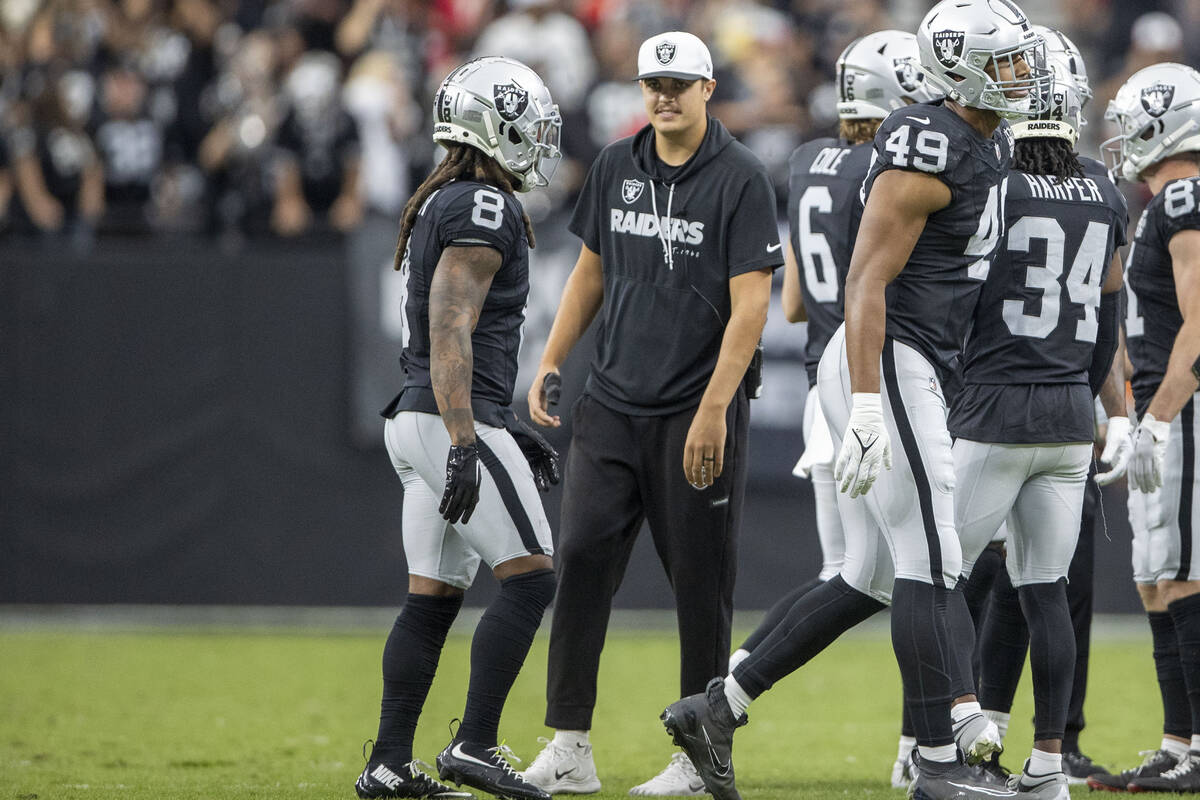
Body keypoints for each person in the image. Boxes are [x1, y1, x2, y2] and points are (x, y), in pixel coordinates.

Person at [660, 3, 1052, 799]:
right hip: (886, 357)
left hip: (919, 362)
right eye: (1008, 61)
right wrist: (870, 404)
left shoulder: (986, 138)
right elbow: (864, 280)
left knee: (869, 574)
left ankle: (717, 706)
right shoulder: (926, 142)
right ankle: (939, 766)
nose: (1024, 74)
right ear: (963, 66)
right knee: (935, 558)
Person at [520, 30, 781, 797]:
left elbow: (752, 308)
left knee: (701, 585)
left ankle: (697, 760)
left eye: (678, 84)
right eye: (652, 84)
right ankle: (569, 744)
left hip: (692, 411)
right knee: (580, 566)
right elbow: (589, 270)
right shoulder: (615, 163)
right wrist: (552, 357)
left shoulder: (740, 177)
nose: (663, 97)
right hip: (610, 402)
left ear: (707, 89)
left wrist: (714, 410)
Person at [354, 56, 563, 800]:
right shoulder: (483, 206)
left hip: (418, 418)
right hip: (447, 418)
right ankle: (473, 743)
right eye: (530, 124)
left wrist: (491, 423)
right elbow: (451, 328)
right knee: (534, 577)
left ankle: (387, 763)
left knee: (433, 597)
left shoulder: (447, 198)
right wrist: (470, 438)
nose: (539, 139)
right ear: (497, 124)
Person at [727, 25, 938, 685]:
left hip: (825, 383)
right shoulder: (891, 169)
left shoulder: (806, 159)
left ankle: (721, 689)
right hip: (876, 376)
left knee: (847, 573)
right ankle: (924, 746)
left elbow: (792, 305)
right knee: (919, 569)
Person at [948, 53, 1127, 797]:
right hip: (1067, 413)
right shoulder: (1106, 193)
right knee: (1044, 588)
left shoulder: (995, 185)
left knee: (937, 580)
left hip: (994, 403)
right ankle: (1049, 764)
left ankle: (957, 734)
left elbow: (956, 303)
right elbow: (1108, 319)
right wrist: (1100, 408)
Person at [1084, 61, 1200, 793]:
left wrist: (1158, 419)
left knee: (1187, 575)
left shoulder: (1186, 195)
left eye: (1132, 120)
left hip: (1184, 406)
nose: (1120, 135)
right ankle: (1178, 742)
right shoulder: (1159, 203)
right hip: (1160, 403)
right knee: (1159, 579)